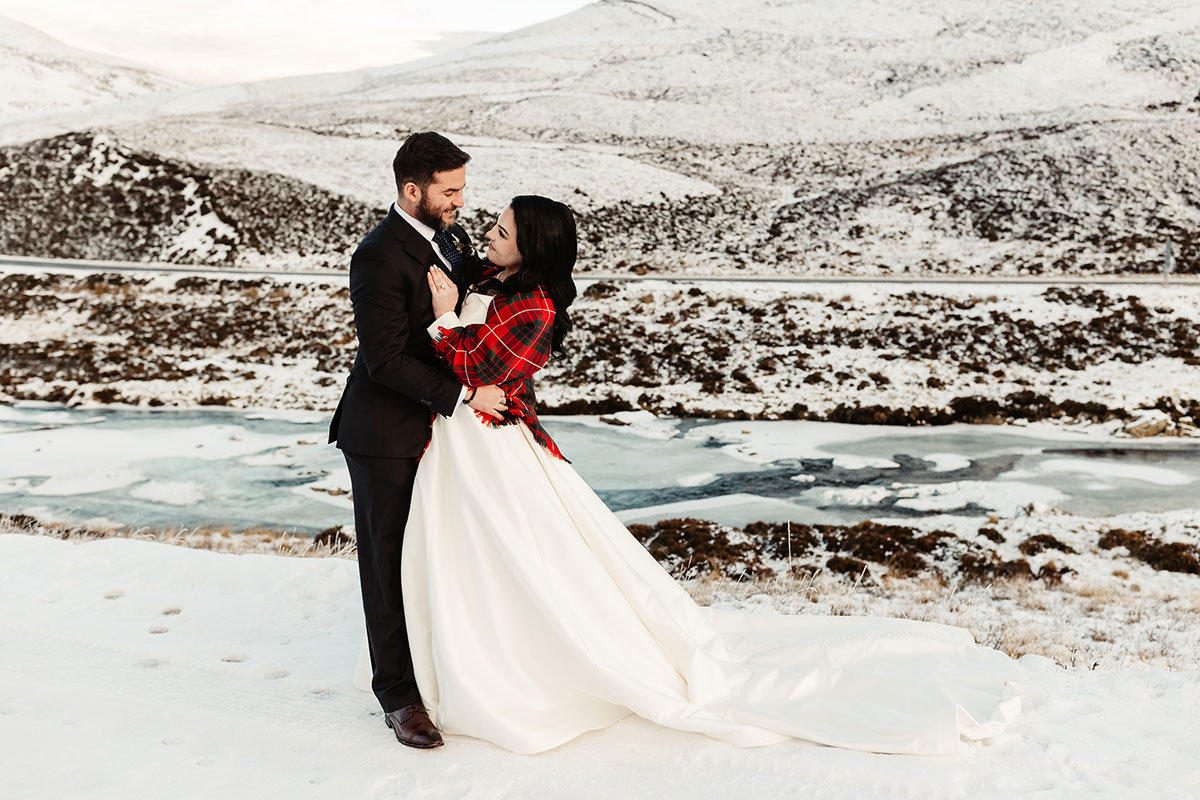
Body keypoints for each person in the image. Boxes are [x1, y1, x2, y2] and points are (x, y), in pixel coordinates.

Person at [353, 195, 1023, 755]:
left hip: (487, 436)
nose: (486, 234)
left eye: (501, 231)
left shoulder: (535, 308)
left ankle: (518, 663)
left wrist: (444, 316)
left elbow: (481, 370)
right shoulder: (492, 278)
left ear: (531, 250)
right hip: (458, 438)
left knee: (513, 550)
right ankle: (451, 658)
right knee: (462, 551)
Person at [329, 131, 509, 749]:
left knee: (436, 558)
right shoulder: (378, 255)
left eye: (462, 187)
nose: (461, 200)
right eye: (450, 190)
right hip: (385, 432)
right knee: (386, 566)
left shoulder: (451, 237)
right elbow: (383, 360)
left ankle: (449, 670)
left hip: (442, 430)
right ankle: (399, 697)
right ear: (414, 190)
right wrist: (465, 395)